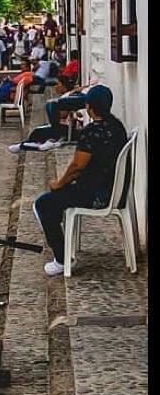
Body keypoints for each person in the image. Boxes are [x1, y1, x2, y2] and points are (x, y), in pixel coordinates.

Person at [33, 85, 129, 276]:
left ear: (90, 107)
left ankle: (62, 258)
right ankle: (61, 233)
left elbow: (77, 167)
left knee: (43, 204)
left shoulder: (92, 131)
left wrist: (59, 184)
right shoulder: (117, 127)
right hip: (114, 191)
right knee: (56, 201)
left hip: (94, 194)